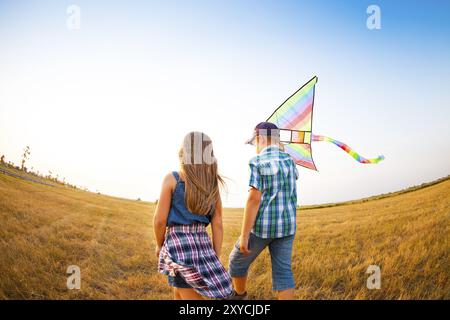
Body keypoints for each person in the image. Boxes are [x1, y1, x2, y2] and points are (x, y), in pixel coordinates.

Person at [154, 131, 232, 300]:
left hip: (178, 245)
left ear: (184, 152)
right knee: (179, 289)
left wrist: (159, 245)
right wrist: (215, 254)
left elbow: (160, 221)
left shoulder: (172, 179)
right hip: (202, 244)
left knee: (187, 292)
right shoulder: (212, 184)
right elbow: (217, 223)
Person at [228, 122, 299, 300]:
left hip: (262, 229)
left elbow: (254, 198)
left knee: (236, 262)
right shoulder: (290, 160)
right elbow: (295, 177)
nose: (254, 148)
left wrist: (244, 236)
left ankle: (239, 295)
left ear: (259, 139)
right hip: (287, 228)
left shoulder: (257, 161)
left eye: (254, 143)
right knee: (283, 274)